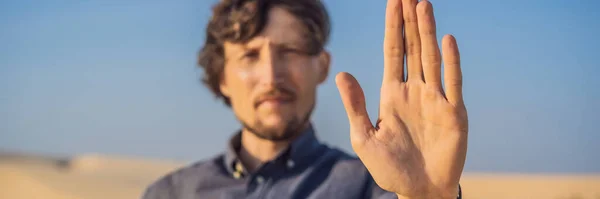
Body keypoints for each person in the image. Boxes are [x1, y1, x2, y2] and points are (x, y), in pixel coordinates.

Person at [142, 0, 468, 198]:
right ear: (222, 77)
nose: (272, 76)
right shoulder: (170, 194)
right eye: (249, 56)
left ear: (322, 66)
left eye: (290, 51)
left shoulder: (379, 187)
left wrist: (427, 196)